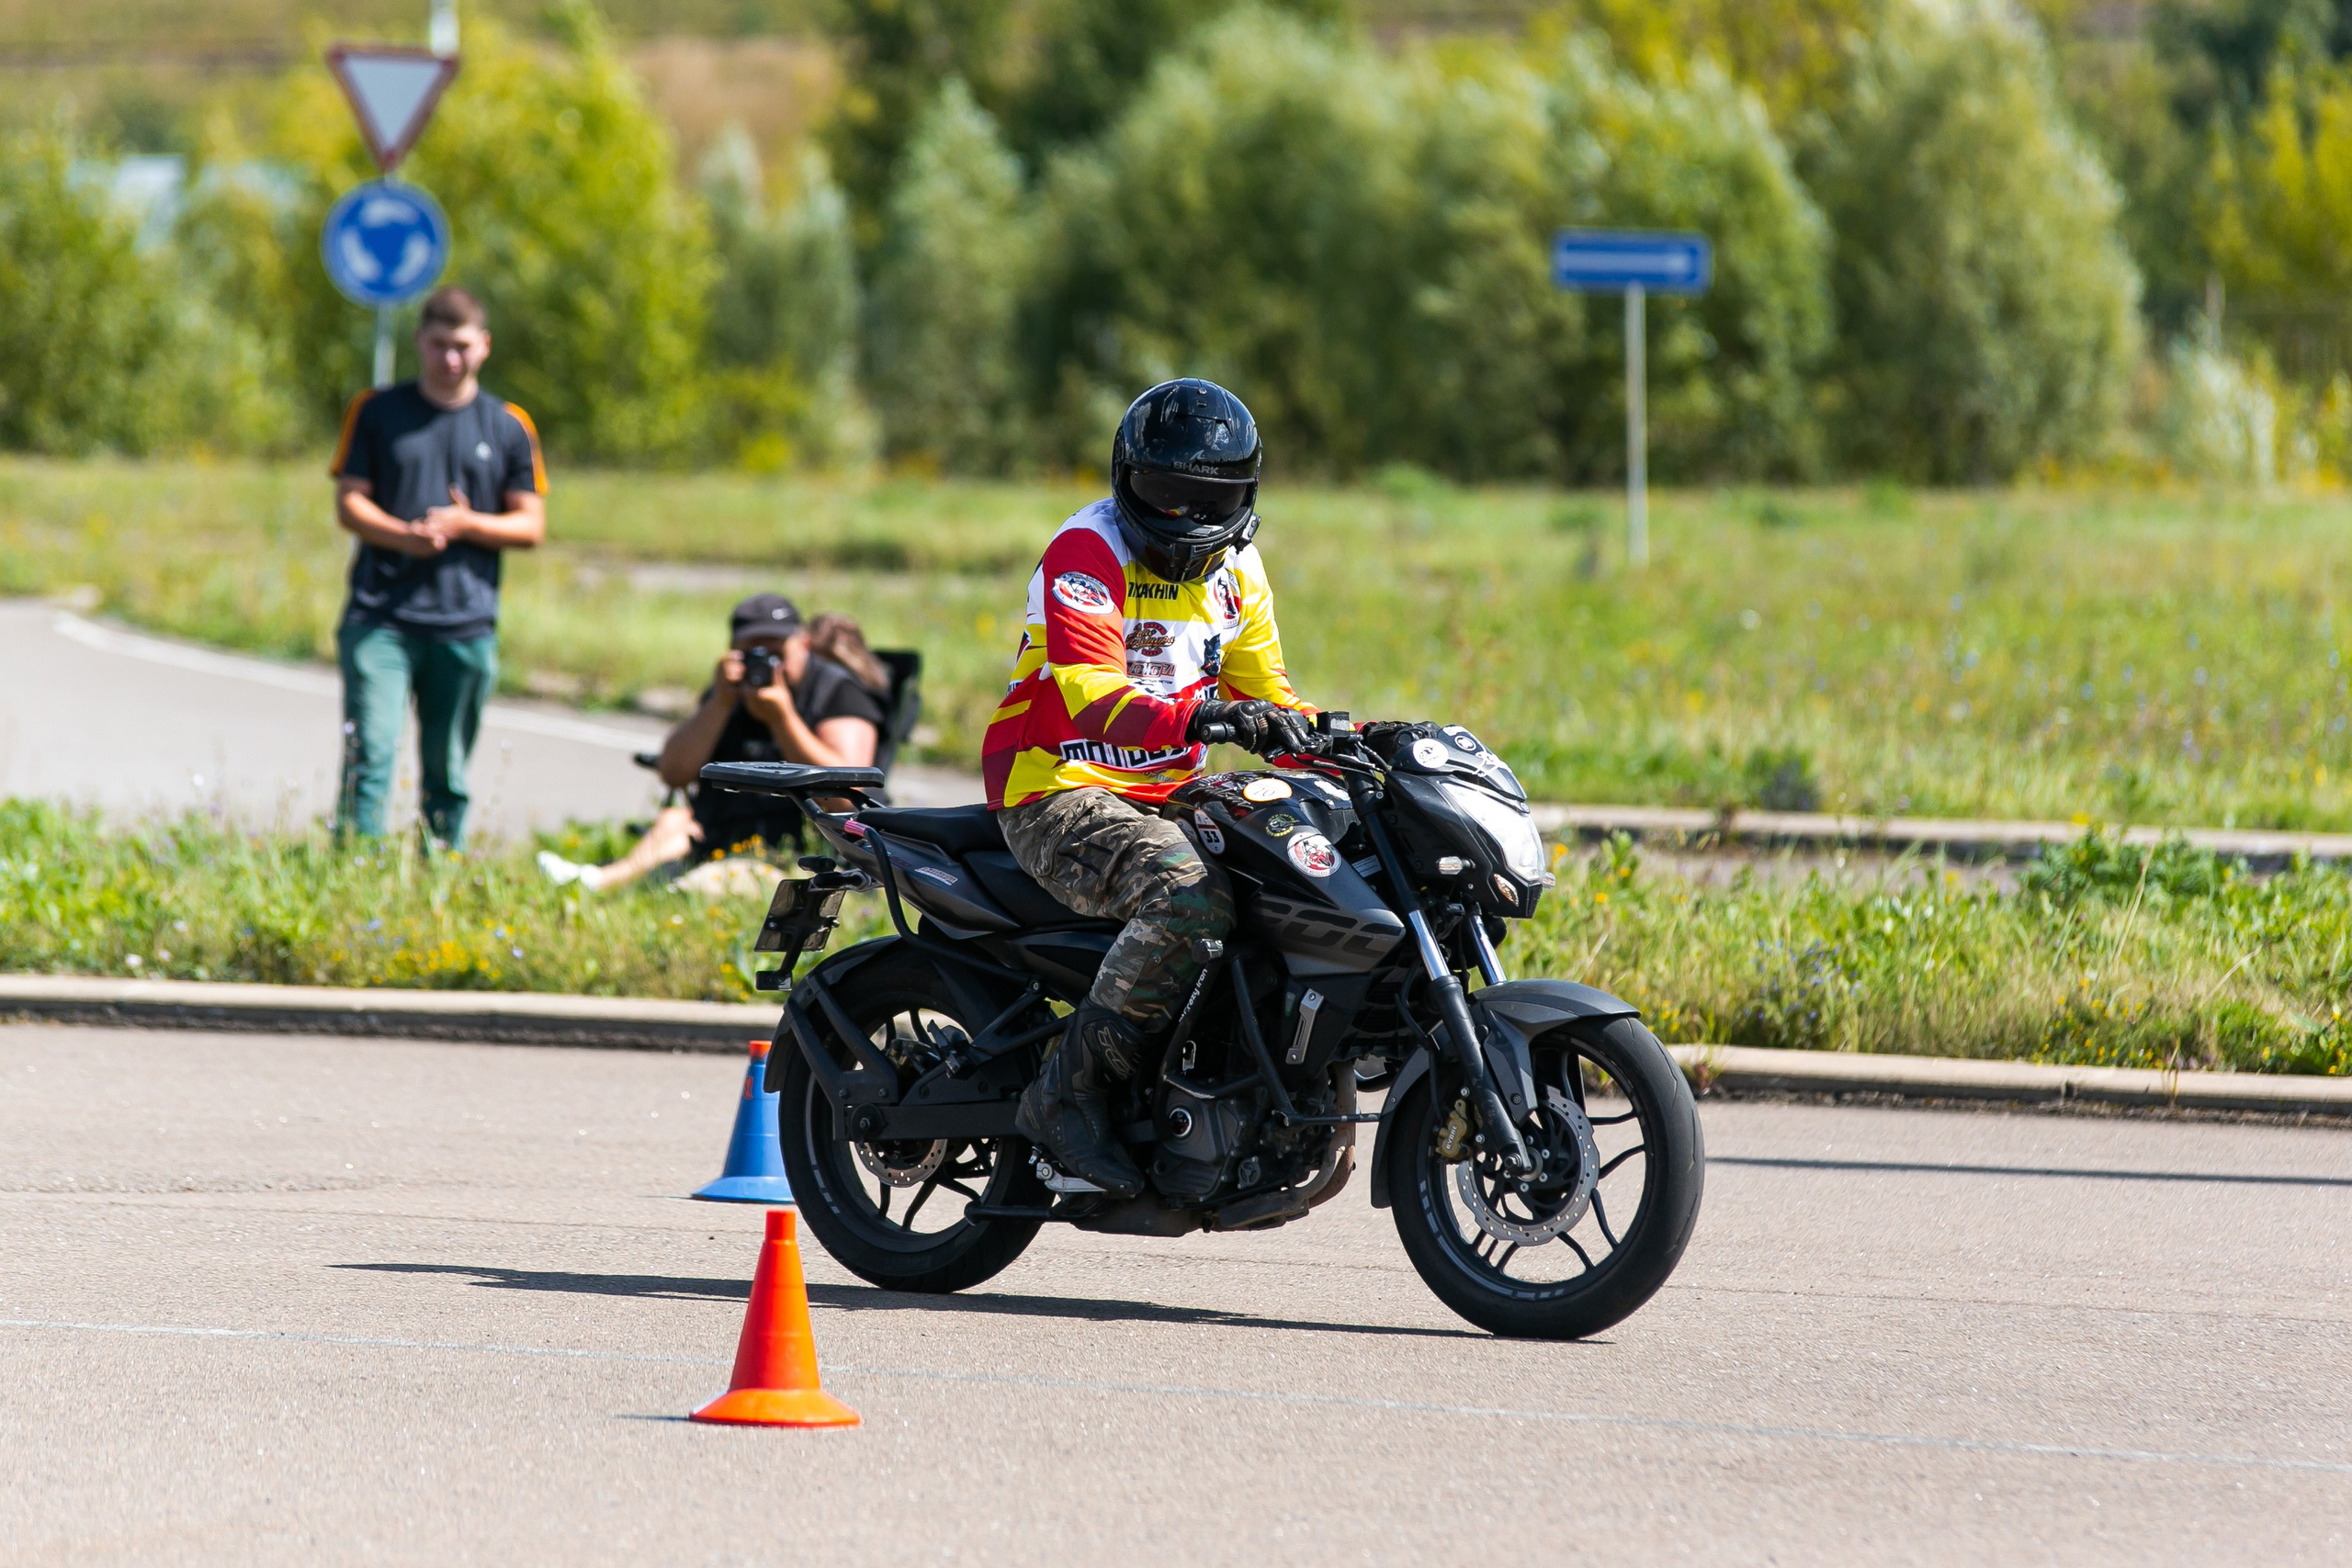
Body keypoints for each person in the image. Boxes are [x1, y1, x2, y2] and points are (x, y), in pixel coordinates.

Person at [984, 378, 1316, 1197]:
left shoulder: (1240, 571)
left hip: (1167, 792)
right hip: (1056, 787)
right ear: (1125, 477)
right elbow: (1091, 693)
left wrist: (1356, 739)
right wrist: (1204, 717)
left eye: (1211, 498)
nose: (1185, 515)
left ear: (1245, 495)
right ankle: (1066, 1095)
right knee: (1188, 893)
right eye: (1165, 490)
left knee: (1301, 866)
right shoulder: (1087, 550)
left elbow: (1268, 696)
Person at [331, 286, 547, 848]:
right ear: (418, 342)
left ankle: (439, 870)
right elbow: (349, 503)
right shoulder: (377, 410)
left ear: (485, 346)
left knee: (447, 772)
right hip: (380, 616)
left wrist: (466, 524)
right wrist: (405, 536)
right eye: (438, 345)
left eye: (462, 346)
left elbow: (530, 526)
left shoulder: (508, 424)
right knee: (371, 755)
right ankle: (355, 870)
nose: (450, 358)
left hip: (464, 623)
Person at [537, 595, 888, 891]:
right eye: (753, 653)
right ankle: (596, 881)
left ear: (803, 644)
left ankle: (649, 890)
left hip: (799, 848)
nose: (767, 664)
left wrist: (783, 720)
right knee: (675, 819)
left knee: (696, 886)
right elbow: (674, 772)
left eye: (777, 651)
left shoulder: (837, 692)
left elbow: (848, 793)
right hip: (723, 833)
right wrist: (719, 705)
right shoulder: (728, 693)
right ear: (732, 652)